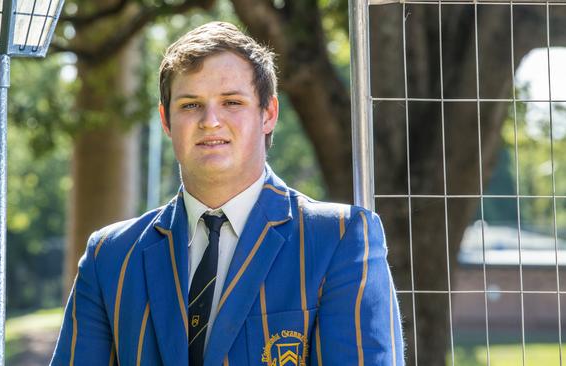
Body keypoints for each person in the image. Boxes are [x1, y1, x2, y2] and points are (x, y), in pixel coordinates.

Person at [51, 21, 404, 366]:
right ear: (165, 121)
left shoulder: (339, 240)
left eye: (231, 102)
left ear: (268, 114)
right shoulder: (111, 257)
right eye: (190, 105)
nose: (211, 121)